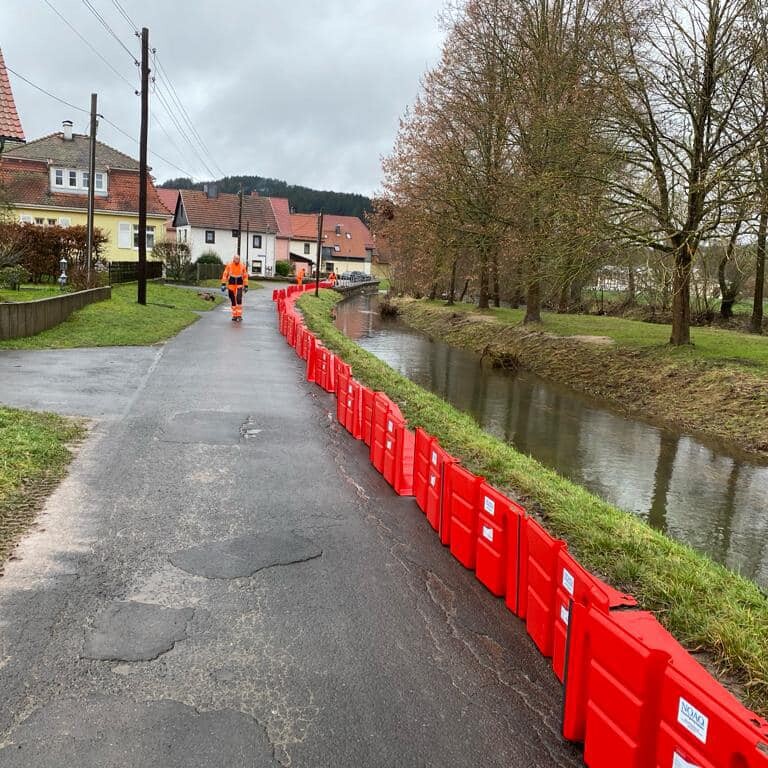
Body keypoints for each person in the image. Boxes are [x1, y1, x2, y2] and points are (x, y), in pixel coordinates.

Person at [220, 253, 249, 322]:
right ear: (233, 259)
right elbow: (225, 274)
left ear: (239, 259)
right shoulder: (229, 265)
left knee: (239, 298)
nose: (237, 260)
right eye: (236, 259)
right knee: (232, 299)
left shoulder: (242, 266)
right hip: (231, 284)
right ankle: (234, 315)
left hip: (239, 283)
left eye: (238, 259)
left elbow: (245, 276)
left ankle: (239, 315)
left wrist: (246, 286)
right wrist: (223, 284)